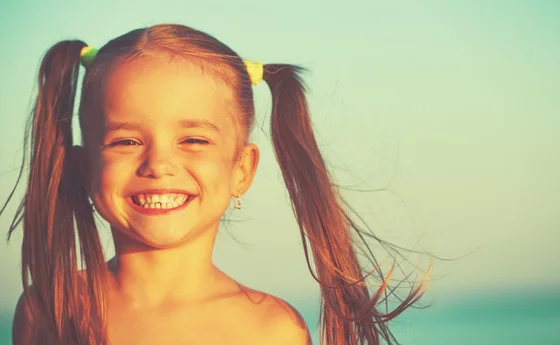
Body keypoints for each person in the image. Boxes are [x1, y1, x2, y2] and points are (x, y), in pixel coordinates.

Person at [4, 24, 430, 345]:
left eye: (193, 140)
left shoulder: (272, 331)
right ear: (82, 167)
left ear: (241, 169)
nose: (159, 164)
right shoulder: (49, 309)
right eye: (126, 140)